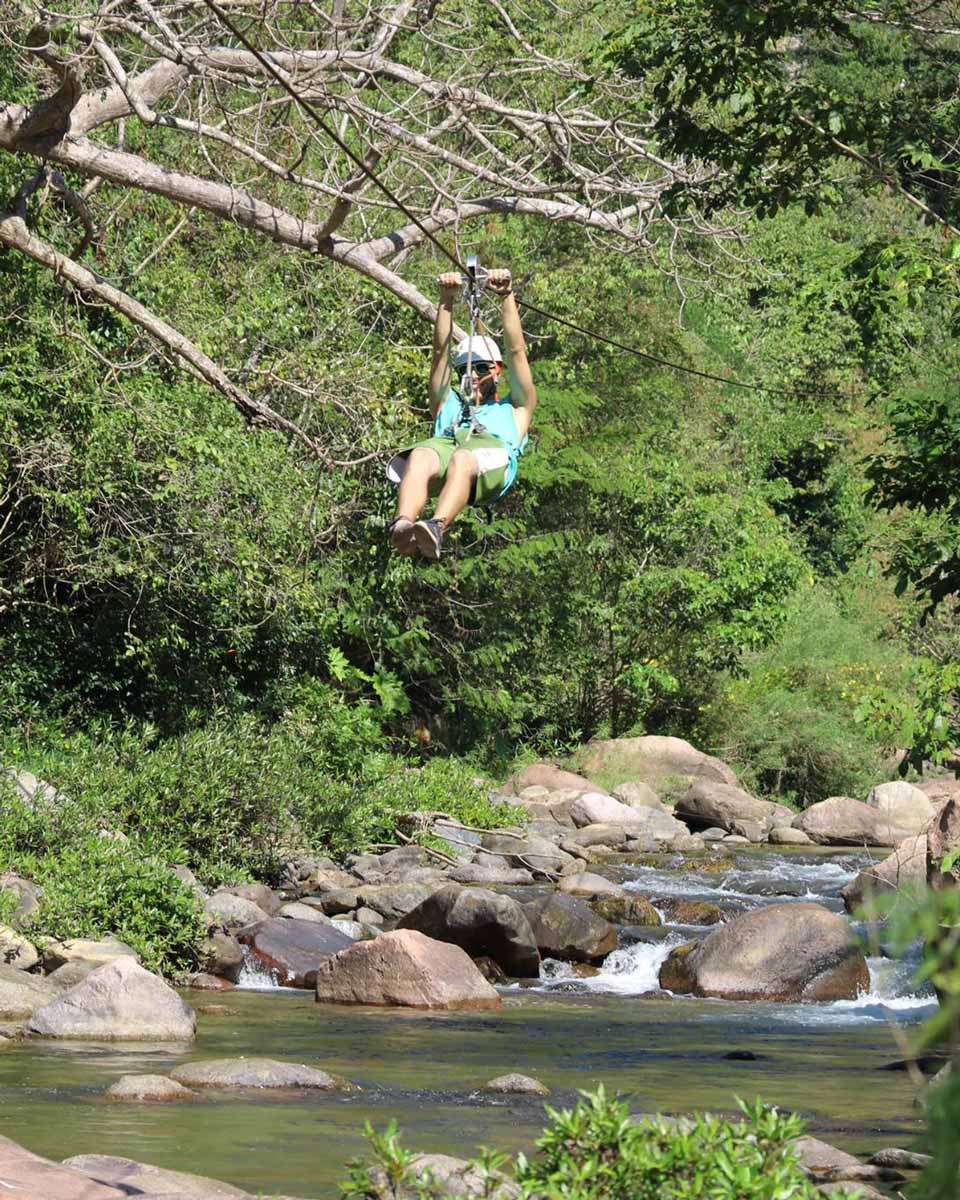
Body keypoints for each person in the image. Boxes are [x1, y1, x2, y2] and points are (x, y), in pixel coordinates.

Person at [385, 267, 537, 560]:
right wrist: (446, 299)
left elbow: (517, 352)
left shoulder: (515, 407)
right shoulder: (450, 406)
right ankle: (403, 524)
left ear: (497, 370)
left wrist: (506, 295)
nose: (473, 375)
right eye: (466, 370)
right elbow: (439, 355)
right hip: (452, 449)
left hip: (491, 461)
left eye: (481, 368)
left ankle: (436, 526)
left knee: (463, 458)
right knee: (421, 454)